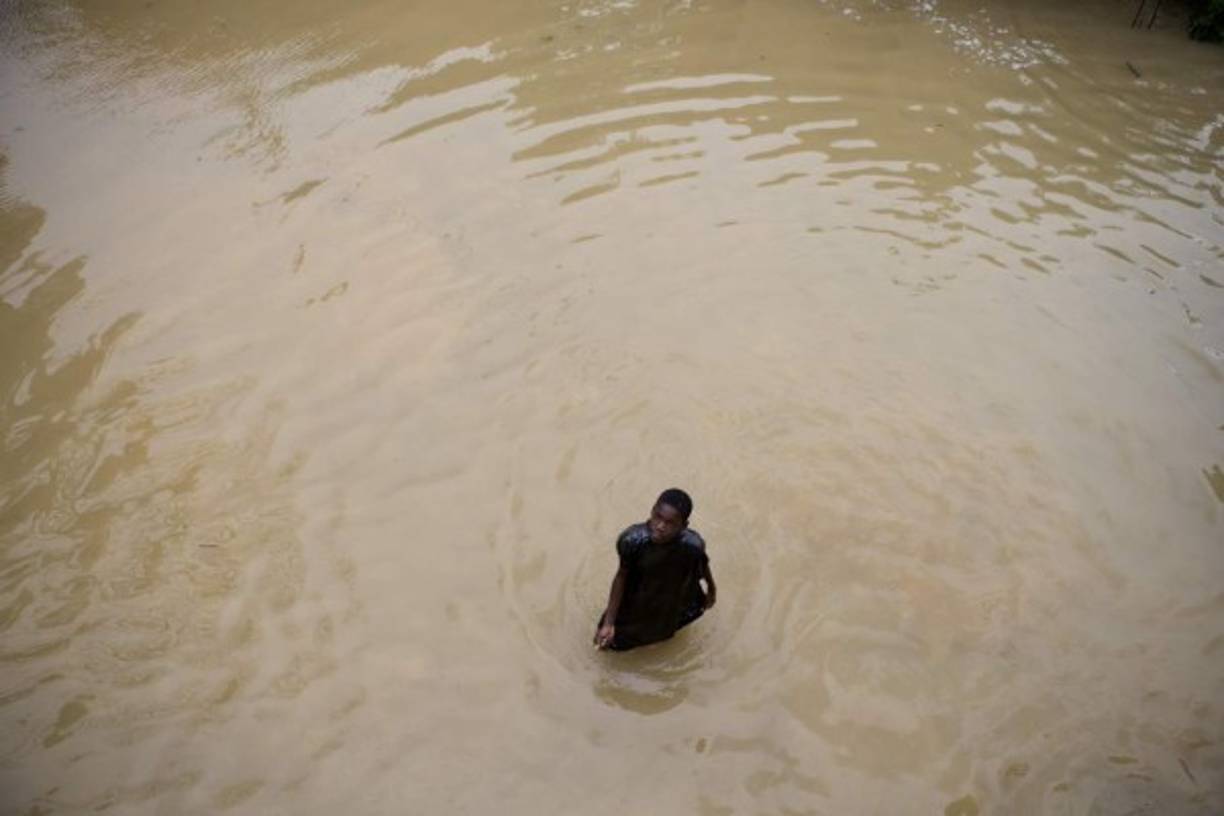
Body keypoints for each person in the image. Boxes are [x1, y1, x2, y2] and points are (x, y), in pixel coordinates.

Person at [594, 488, 717, 651]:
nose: (660, 526)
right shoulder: (631, 541)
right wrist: (609, 623)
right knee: (604, 643)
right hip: (638, 593)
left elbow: (702, 565)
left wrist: (712, 590)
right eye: (657, 517)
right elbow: (621, 576)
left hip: (669, 597)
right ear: (652, 511)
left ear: (683, 526)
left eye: (670, 523)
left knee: (661, 636)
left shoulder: (692, 546)